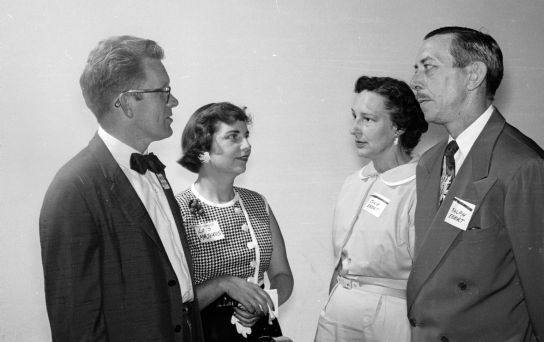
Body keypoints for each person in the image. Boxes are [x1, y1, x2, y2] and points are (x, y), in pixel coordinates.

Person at [407, 26, 544, 341]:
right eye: (416, 70)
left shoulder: (524, 168)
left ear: (473, 75)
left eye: (429, 68)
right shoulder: (430, 163)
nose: (415, 81)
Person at [39, 36, 202, 341]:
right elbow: (76, 328)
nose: (174, 102)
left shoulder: (154, 172)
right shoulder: (74, 189)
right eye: (164, 91)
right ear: (127, 102)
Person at [314, 76, 428, 342]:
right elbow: (341, 262)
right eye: (355, 117)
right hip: (339, 310)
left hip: (390, 316)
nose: (354, 129)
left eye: (368, 119)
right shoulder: (354, 182)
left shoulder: (419, 185)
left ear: (398, 127)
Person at [176, 102, 294, 342]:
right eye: (233, 137)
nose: (247, 146)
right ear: (203, 149)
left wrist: (265, 302)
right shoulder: (178, 210)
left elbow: (283, 276)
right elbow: (172, 299)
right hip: (206, 334)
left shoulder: (258, 203)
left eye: (246, 136)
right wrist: (222, 284)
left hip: (260, 329)